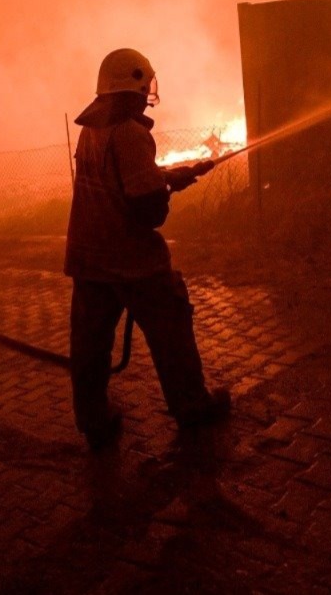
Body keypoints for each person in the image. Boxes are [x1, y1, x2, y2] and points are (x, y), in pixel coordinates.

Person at [66, 47, 228, 450]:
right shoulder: (131, 133)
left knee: (90, 344)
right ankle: (191, 406)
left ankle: (92, 420)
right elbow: (148, 210)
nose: (147, 94)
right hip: (132, 262)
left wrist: (167, 176)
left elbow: (118, 182)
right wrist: (162, 192)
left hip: (88, 258)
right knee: (171, 325)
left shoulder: (92, 130)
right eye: (144, 85)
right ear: (134, 85)